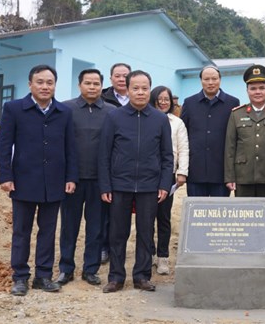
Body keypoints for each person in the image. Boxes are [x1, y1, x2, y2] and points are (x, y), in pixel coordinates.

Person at [0, 64, 78, 296]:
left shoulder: (64, 112)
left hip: (54, 182)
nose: (45, 86)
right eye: (40, 82)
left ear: (55, 85)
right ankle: (20, 277)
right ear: (30, 84)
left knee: (48, 231)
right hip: (23, 181)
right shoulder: (13, 109)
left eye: (49, 82)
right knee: (22, 231)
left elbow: (70, 148)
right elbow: (4, 145)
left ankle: (43, 276)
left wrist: (71, 176)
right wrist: (5, 176)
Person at [98, 70, 173, 293]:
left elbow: (167, 156)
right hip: (120, 184)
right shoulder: (114, 117)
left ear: (150, 90)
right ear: (127, 89)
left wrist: (164, 184)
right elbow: (104, 154)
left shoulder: (160, 119)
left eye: (144, 88)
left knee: (145, 232)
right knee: (118, 233)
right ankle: (116, 277)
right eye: (135, 88)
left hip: (150, 186)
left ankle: (141, 276)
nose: (140, 92)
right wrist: (105, 185)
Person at [57, 69, 116, 287]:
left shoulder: (111, 112)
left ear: (102, 86)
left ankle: (90, 269)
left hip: (100, 180)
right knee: (68, 226)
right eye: (87, 83)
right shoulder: (65, 109)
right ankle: (66, 268)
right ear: (79, 85)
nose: (92, 87)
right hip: (72, 179)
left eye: (96, 83)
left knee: (96, 227)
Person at [224, 65, 265, 258]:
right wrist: (229, 177)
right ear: (247, 91)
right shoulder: (237, 114)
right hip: (244, 177)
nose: (257, 92)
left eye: (261, 88)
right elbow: (230, 147)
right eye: (253, 88)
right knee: (245, 220)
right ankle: (246, 257)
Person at [180, 65, 240, 197]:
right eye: (206, 79)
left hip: (221, 172)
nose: (211, 82)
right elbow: (182, 135)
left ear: (220, 79)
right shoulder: (189, 103)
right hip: (196, 170)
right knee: (196, 214)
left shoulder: (233, 103)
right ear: (201, 80)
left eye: (214, 78)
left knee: (219, 214)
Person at [149, 86, 189, 275]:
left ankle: (163, 257)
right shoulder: (145, 117)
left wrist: (182, 172)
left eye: (167, 99)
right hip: (146, 176)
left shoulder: (177, 122)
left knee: (164, 217)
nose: (163, 102)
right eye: (160, 98)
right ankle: (147, 254)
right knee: (146, 217)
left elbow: (184, 148)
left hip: (168, 175)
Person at [99, 62, 132, 264]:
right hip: (109, 162)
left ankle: (118, 249)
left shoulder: (140, 98)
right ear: (110, 78)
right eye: (117, 76)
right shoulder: (102, 100)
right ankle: (103, 246)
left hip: (129, 166)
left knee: (123, 214)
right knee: (105, 211)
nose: (121, 79)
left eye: (124, 75)